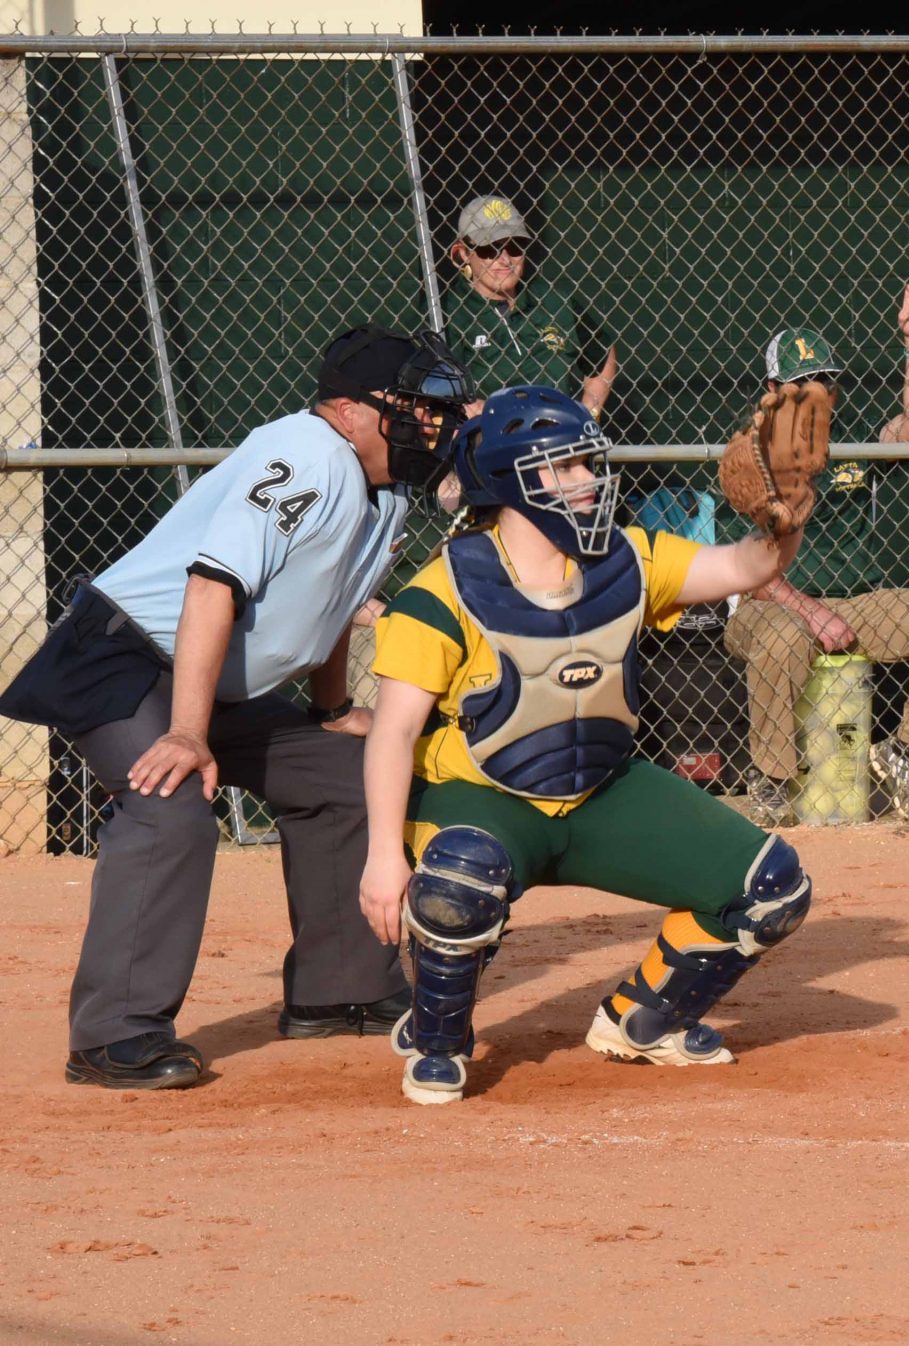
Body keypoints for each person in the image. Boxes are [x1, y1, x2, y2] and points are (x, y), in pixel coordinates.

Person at [0, 328, 476, 1089]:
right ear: (348, 411)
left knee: (347, 774)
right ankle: (113, 1035)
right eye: (412, 406)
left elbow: (335, 602)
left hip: (207, 678)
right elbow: (212, 585)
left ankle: (340, 989)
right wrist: (188, 733)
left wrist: (331, 710)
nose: (430, 423)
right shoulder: (306, 454)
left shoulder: (385, 490)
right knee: (169, 804)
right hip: (123, 659)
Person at [359, 384, 810, 1106]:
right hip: (480, 796)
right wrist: (384, 857)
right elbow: (393, 734)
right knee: (460, 881)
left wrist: (784, 520)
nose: (588, 481)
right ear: (509, 481)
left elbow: (747, 568)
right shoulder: (441, 592)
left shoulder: (627, 557)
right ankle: (438, 1038)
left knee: (771, 889)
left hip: (601, 788)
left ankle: (644, 1020)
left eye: (588, 464)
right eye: (565, 467)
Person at [724, 285, 909, 825]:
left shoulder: (850, 437)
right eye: (800, 383)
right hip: (769, 604)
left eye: (824, 380)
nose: (815, 392)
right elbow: (747, 568)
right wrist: (810, 610)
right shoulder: (749, 452)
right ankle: (772, 779)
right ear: (772, 390)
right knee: (783, 637)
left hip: (855, 601)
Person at [443, 194, 618, 417]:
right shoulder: (449, 312)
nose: (505, 260)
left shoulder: (553, 301)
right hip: (490, 434)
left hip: (557, 431)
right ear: (463, 253)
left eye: (515, 246)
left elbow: (602, 352)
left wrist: (589, 412)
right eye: (490, 249)